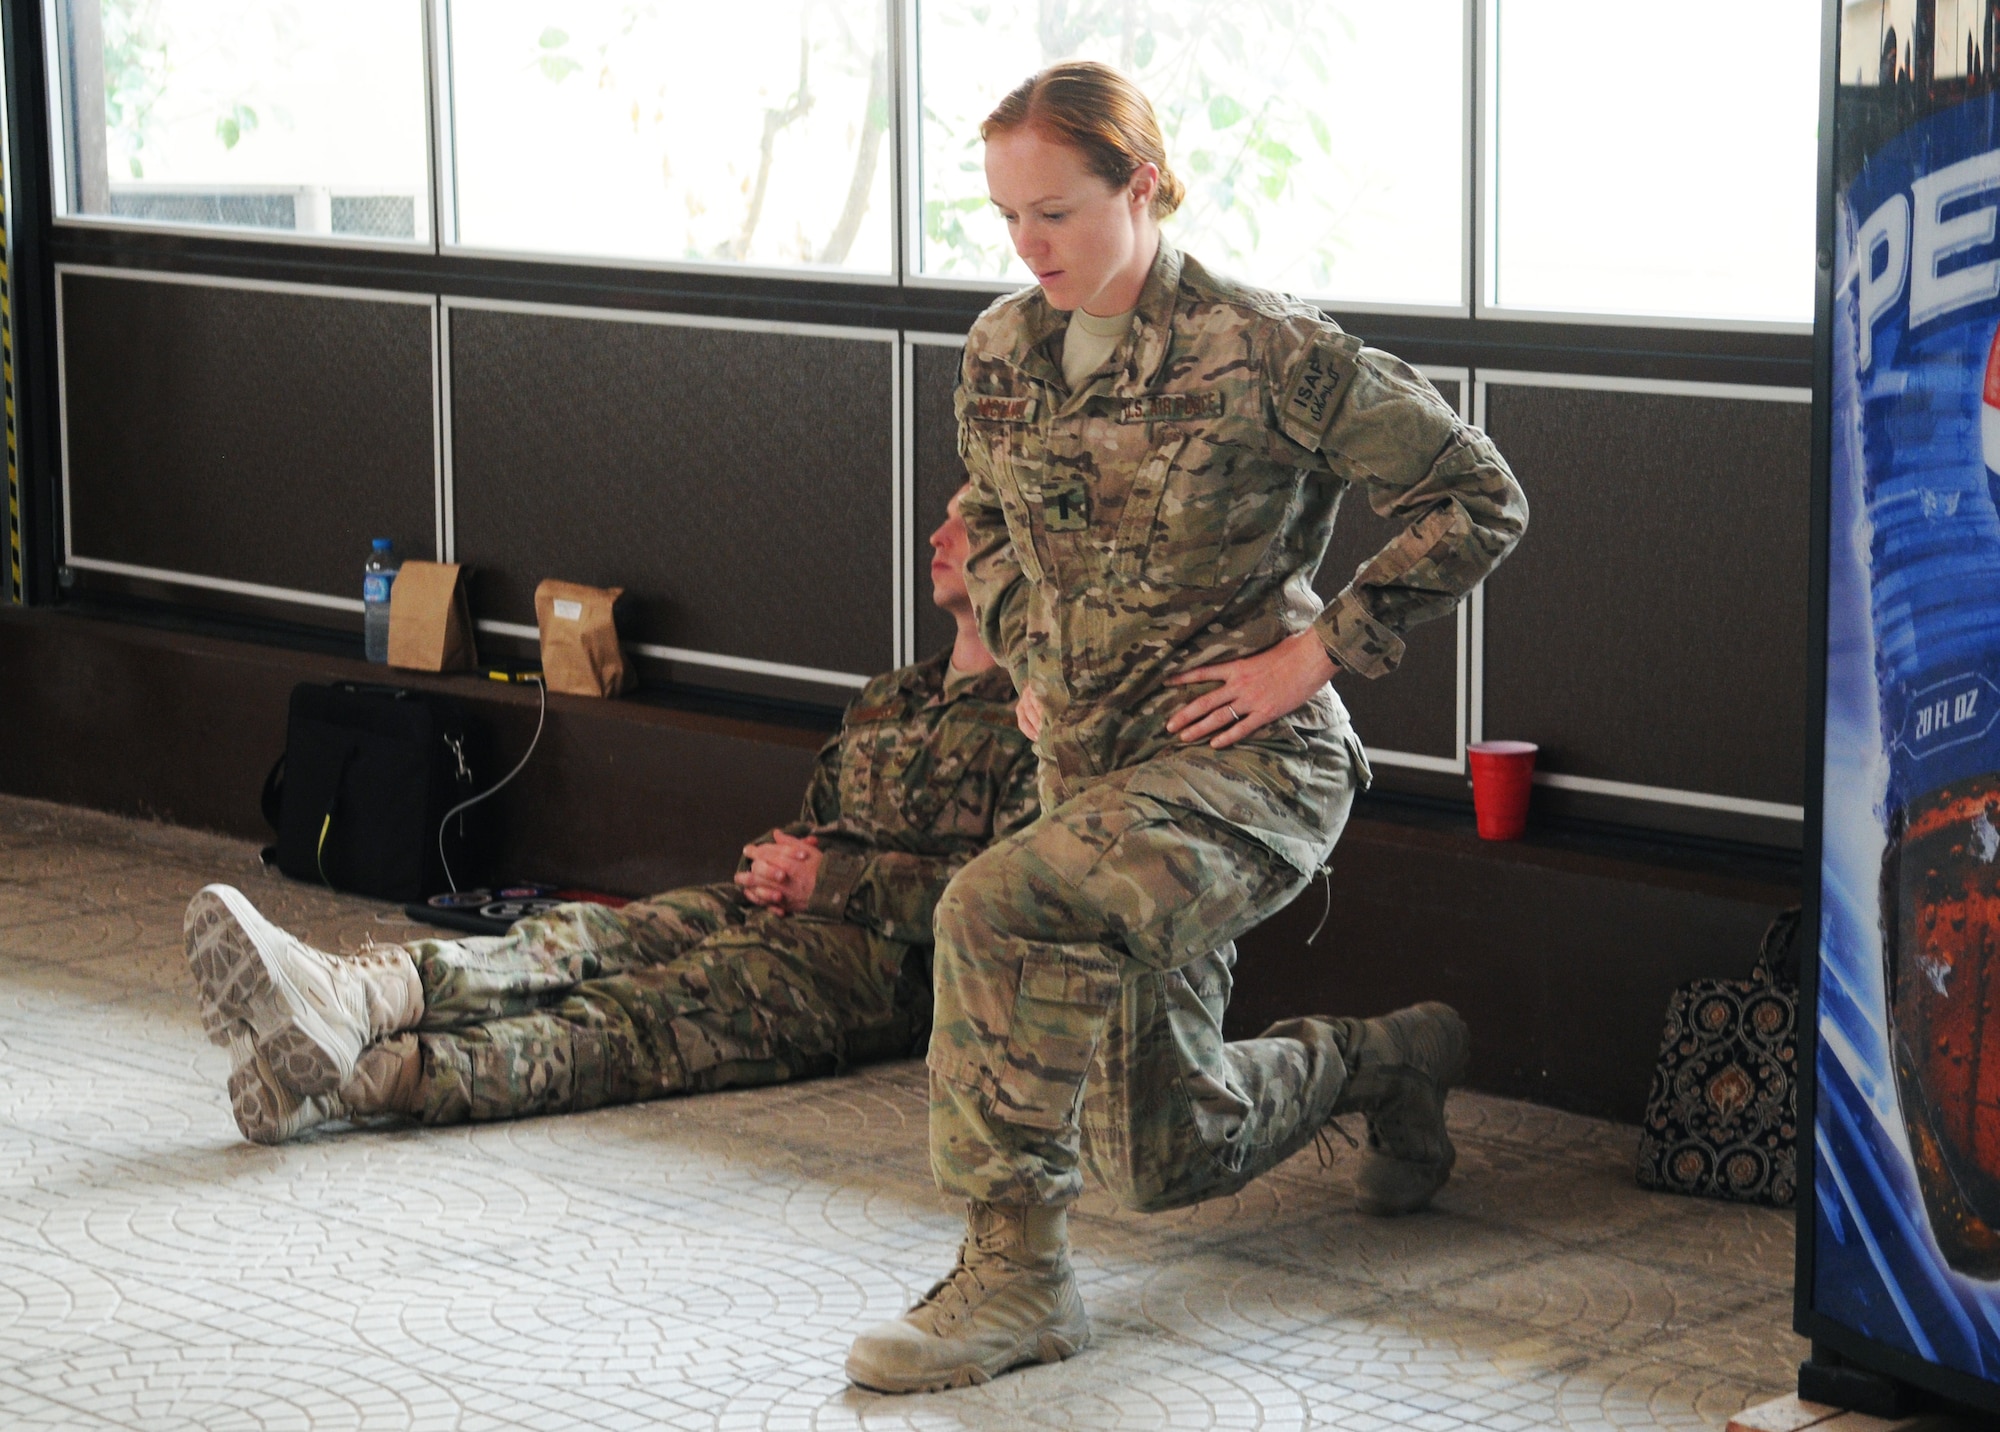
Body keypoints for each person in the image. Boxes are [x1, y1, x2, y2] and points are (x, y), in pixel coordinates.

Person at [844, 63, 1528, 1394]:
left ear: (1142, 187)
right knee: (1167, 1157)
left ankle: (1015, 1279)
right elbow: (983, 520)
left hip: (1248, 771)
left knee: (991, 909)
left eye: (1054, 212)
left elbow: (1477, 495)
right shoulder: (999, 352)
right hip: (1091, 779)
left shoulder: (1268, 350)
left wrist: (1317, 650)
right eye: (1005, 218)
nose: (1027, 245)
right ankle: (1388, 1062)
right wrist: (1027, 650)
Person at [184, 488, 1038, 1144]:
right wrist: (775, 862)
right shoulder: (893, 696)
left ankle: (358, 1080)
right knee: (581, 939)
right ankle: (358, 995)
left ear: (1023, 553)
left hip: (882, 967)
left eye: (967, 525)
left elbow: (1012, 904)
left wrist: (832, 880)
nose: (938, 537)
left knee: (643, 1016)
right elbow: (817, 826)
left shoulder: (1040, 721)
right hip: (778, 907)